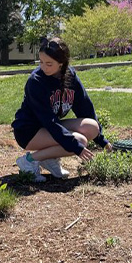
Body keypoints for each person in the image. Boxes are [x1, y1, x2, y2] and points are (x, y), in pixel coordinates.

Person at [12, 36, 112, 182]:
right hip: (29, 132)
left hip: (48, 128)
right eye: (41, 62)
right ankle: (29, 160)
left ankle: (49, 159)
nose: (44, 67)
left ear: (61, 63)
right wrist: (75, 146)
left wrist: (102, 141)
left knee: (92, 127)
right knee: (80, 141)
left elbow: (85, 108)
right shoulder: (35, 81)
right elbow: (49, 121)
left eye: (49, 64)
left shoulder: (70, 76)